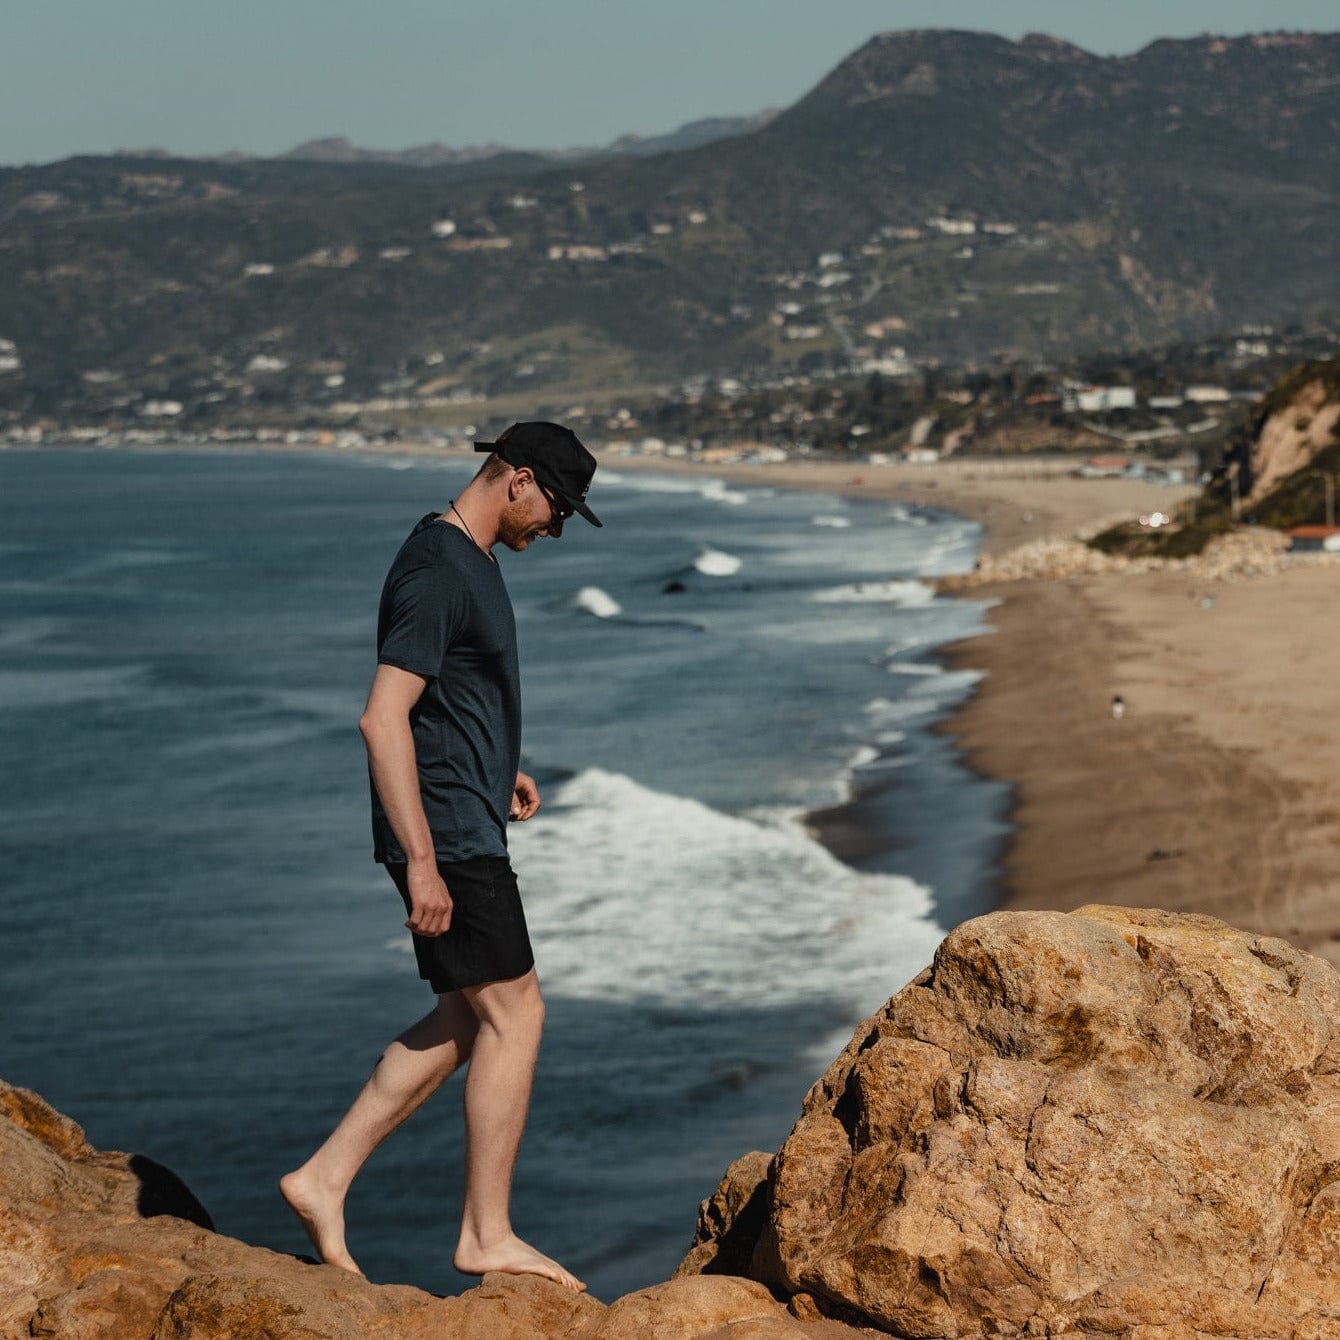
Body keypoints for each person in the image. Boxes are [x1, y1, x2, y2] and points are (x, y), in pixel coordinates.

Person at [280, 422, 601, 1293]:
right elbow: (382, 717)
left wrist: (499, 767)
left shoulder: (472, 560)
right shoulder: (436, 567)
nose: (558, 528)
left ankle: (324, 1178)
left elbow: (447, 701)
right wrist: (421, 861)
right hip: (448, 839)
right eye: (559, 508)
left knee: (468, 1019)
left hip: (467, 814)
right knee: (517, 1014)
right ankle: (485, 1233)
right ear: (518, 480)